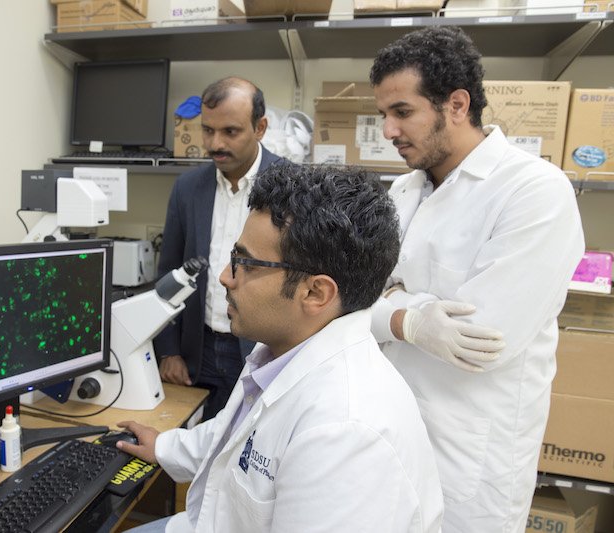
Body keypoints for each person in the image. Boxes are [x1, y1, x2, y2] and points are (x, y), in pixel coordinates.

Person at [118, 162, 444, 533]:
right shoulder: (283, 350)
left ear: (315, 292)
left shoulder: (344, 431)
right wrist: (164, 447)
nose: (225, 277)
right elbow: (235, 436)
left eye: (243, 262)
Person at [369, 26, 585, 532]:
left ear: (457, 105)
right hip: (389, 431)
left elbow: (481, 339)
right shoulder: (402, 191)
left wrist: (393, 303)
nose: (387, 131)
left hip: (469, 457)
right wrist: (410, 318)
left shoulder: (534, 191)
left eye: (402, 112)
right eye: (384, 115)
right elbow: (356, 295)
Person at [155, 77, 282, 420]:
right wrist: (168, 351)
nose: (215, 143)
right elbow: (168, 271)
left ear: (260, 127)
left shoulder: (290, 185)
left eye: (230, 131)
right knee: (197, 455)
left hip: (263, 351)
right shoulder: (188, 188)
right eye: (207, 131)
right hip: (199, 351)